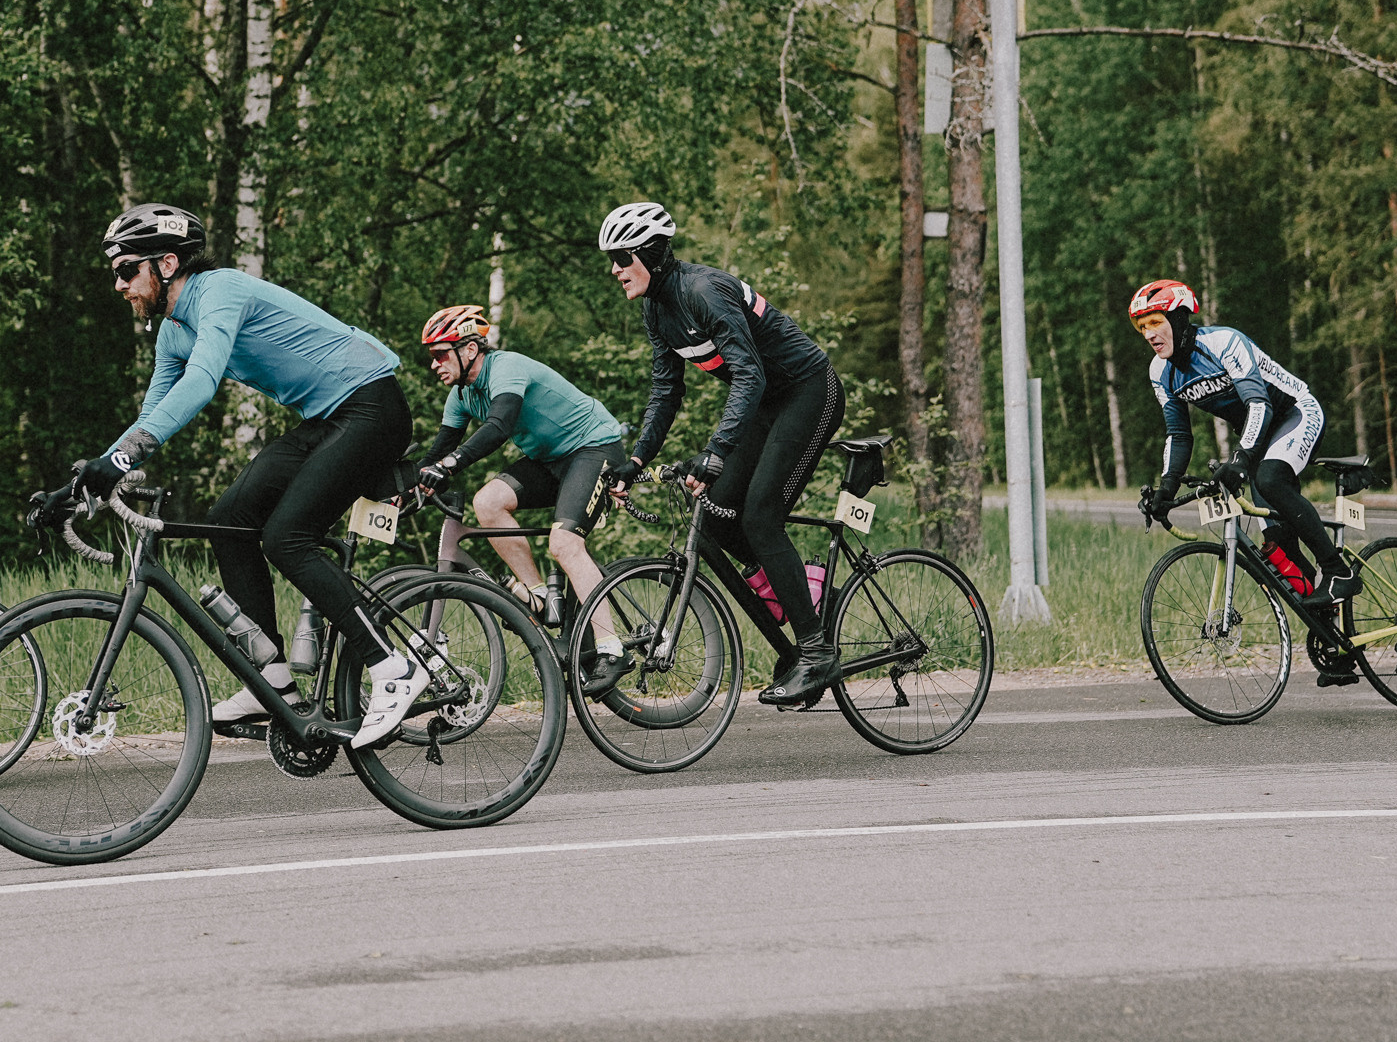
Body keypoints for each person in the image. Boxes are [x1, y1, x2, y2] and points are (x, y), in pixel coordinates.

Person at [41, 204, 425, 748]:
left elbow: (200, 384)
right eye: (115, 274)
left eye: (127, 270)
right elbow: (150, 417)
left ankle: (393, 668)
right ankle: (273, 683)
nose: (120, 285)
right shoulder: (172, 331)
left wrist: (120, 462)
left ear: (167, 263)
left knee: (287, 537)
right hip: (327, 418)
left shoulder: (220, 291)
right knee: (230, 519)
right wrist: (82, 487)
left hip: (371, 405)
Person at [596, 201, 845, 706]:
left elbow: (749, 374)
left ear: (651, 252)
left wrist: (716, 452)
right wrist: (638, 460)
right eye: (611, 261)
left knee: (759, 516)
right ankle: (808, 595)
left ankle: (817, 654)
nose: (615, 270)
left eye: (622, 257)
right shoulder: (656, 308)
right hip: (766, 402)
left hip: (807, 391)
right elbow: (667, 391)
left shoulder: (703, 291)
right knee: (715, 518)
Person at [412, 305, 634, 695]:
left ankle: (612, 648)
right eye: (432, 356)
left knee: (565, 543)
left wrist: (449, 465)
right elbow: (438, 450)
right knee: (488, 502)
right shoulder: (461, 394)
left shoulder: (506, 367)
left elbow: (499, 426)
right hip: (549, 460)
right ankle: (539, 597)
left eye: (440, 354)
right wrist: (407, 486)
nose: (434, 364)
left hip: (594, 448)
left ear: (468, 349)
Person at [1129, 278, 1360, 626]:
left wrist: (1241, 459)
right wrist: (1166, 489)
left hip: (1294, 412)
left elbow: (1258, 403)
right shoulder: (1160, 371)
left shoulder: (1223, 342)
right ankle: (1332, 640)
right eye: (1142, 327)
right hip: (1260, 435)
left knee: (1270, 480)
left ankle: (1337, 571)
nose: (1149, 334)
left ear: (1178, 319)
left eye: (1156, 322)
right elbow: (1178, 435)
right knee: (1278, 545)